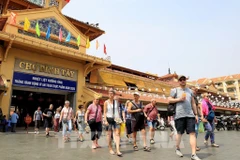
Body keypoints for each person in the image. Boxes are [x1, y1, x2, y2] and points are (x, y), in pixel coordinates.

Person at [168, 75, 201, 160]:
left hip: (190, 114)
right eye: (181, 80)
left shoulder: (190, 91)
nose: (183, 81)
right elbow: (169, 100)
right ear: (178, 81)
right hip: (179, 115)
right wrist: (179, 99)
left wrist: (196, 114)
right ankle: (177, 148)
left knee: (192, 133)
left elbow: (193, 103)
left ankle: (193, 154)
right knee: (179, 133)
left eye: (184, 79)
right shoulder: (174, 90)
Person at [104, 89, 122, 156]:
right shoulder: (106, 102)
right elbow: (105, 112)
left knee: (117, 134)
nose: (110, 95)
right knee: (109, 134)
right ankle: (110, 148)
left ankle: (117, 150)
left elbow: (118, 111)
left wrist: (120, 119)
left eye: (112, 94)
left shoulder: (116, 102)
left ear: (114, 95)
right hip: (109, 119)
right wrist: (105, 120)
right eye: (109, 93)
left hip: (116, 119)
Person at [190, 86, 204, 151]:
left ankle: (195, 145)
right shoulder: (190, 97)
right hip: (192, 115)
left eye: (195, 90)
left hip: (197, 115)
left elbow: (197, 107)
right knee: (194, 131)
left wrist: (200, 115)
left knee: (196, 132)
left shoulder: (195, 98)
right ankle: (194, 146)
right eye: (193, 90)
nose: (195, 91)